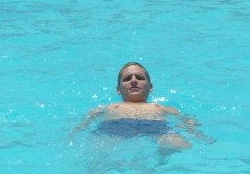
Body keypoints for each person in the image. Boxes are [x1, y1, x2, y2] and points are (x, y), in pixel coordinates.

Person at [77, 62, 206, 150]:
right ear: (118, 89)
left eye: (139, 77)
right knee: (100, 148)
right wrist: (76, 132)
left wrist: (196, 132)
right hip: (115, 127)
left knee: (181, 144)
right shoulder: (108, 107)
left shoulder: (162, 107)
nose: (134, 81)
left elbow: (186, 120)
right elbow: (86, 121)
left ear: (150, 87)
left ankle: (160, 162)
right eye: (127, 79)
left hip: (156, 127)